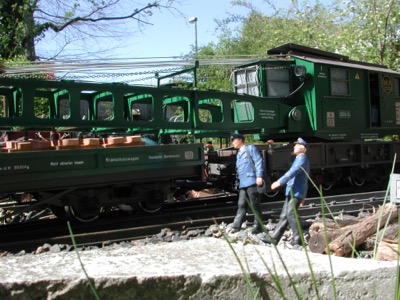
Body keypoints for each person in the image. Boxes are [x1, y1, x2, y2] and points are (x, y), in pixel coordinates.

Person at [261, 137, 310, 247]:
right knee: (284, 215)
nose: (294, 147)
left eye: (296, 145)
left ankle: (298, 238)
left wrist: (279, 182)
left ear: (302, 148)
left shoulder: (302, 158)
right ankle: (274, 238)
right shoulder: (299, 158)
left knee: (291, 214)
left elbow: (293, 172)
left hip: (296, 192)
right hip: (293, 191)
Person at [227, 133, 265, 234]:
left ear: (240, 140)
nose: (233, 142)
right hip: (243, 183)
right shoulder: (239, 154)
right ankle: (236, 225)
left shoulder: (250, 148)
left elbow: (258, 161)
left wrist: (259, 176)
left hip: (252, 181)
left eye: (234, 140)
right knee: (241, 204)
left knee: (255, 204)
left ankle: (258, 226)